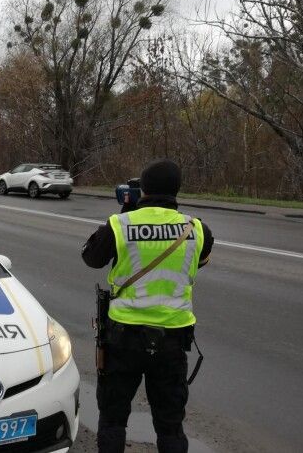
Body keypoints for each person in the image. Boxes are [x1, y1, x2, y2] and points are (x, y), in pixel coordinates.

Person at [82, 159, 214, 453]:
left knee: (113, 419)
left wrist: (126, 214)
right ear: (176, 190)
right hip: (173, 341)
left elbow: (90, 258)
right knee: (170, 424)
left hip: (123, 338)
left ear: (143, 189)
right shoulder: (197, 229)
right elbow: (199, 262)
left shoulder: (120, 225)